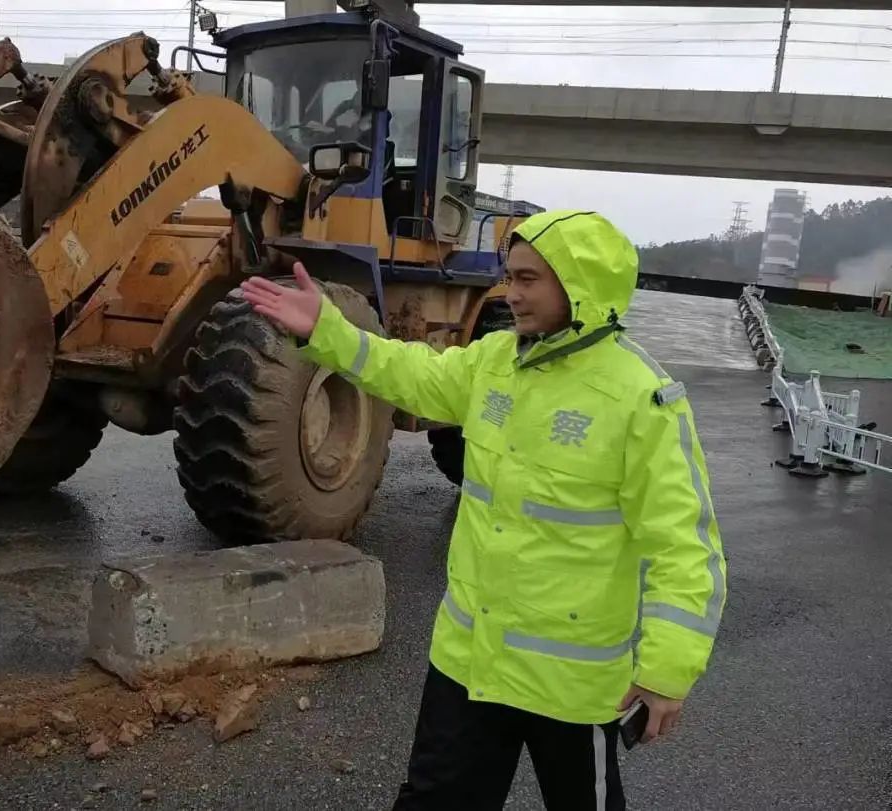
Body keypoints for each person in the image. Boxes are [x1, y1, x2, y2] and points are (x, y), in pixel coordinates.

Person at [241, 210, 726, 810]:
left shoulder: (641, 400)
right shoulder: (492, 361)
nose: (511, 293)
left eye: (528, 280)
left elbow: (685, 546)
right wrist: (329, 332)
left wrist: (666, 671)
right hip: (469, 664)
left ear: (578, 284)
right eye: (509, 277)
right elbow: (409, 373)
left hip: (568, 685)